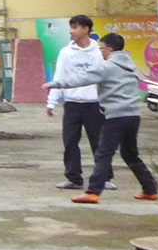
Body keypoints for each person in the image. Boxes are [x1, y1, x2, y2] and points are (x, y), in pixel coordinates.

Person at [43, 33, 158, 203]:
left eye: (102, 48)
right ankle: (150, 189)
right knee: (130, 154)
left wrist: (55, 84)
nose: (101, 51)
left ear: (109, 49)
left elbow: (82, 78)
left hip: (115, 117)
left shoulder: (107, 67)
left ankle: (92, 192)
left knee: (103, 154)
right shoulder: (129, 66)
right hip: (133, 115)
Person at [47, 14, 113, 190]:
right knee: (70, 142)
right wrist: (51, 101)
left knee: (99, 142)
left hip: (94, 104)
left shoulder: (99, 52)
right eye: (71, 27)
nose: (72, 31)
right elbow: (59, 76)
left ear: (86, 29)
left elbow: (106, 78)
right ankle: (74, 178)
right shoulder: (66, 53)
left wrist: (108, 102)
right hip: (72, 103)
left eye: (75, 27)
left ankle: (104, 177)